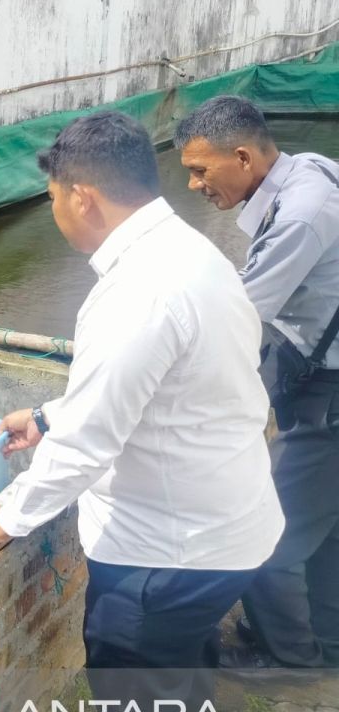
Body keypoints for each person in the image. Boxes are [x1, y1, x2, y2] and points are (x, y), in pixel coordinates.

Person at [0, 111, 285, 706]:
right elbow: (159, 385)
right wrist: (47, 415)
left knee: (137, 684)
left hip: (166, 561)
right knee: (182, 674)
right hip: (226, 529)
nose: (55, 214)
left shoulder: (138, 290)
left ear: (82, 198)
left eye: (53, 199)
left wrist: (7, 518)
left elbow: (87, 444)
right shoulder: (189, 250)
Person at [175, 94, 339, 673]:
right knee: (325, 530)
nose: (195, 185)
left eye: (200, 171)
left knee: (267, 535)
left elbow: (237, 315)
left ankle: (292, 660)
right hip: (323, 373)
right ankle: (326, 641)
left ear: (243, 157)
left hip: (331, 394)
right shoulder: (309, 169)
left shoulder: (299, 215)